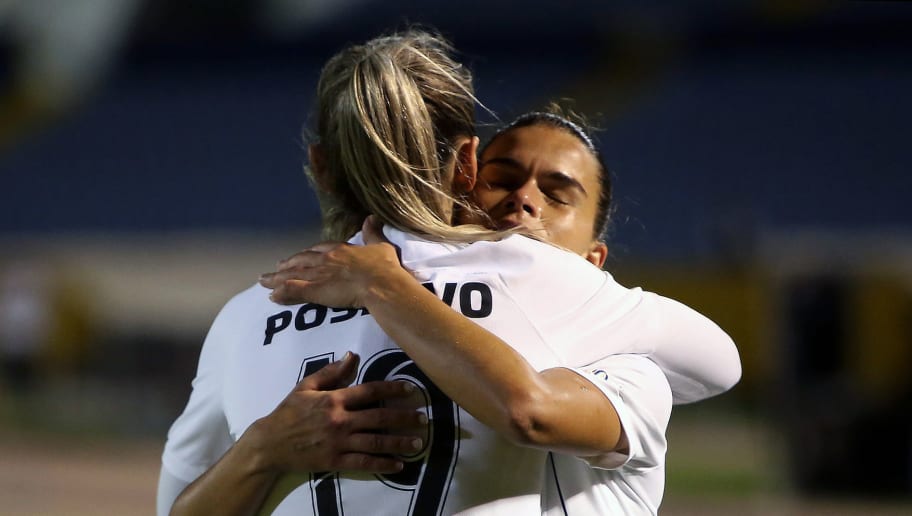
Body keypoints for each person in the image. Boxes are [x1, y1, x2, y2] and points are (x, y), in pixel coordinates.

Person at [159, 30, 738, 516]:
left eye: (557, 194)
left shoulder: (249, 313)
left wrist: (264, 446)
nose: (522, 205)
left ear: (320, 169)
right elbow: (719, 362)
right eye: (503, 177)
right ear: (467, 167)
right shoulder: (548, 283)